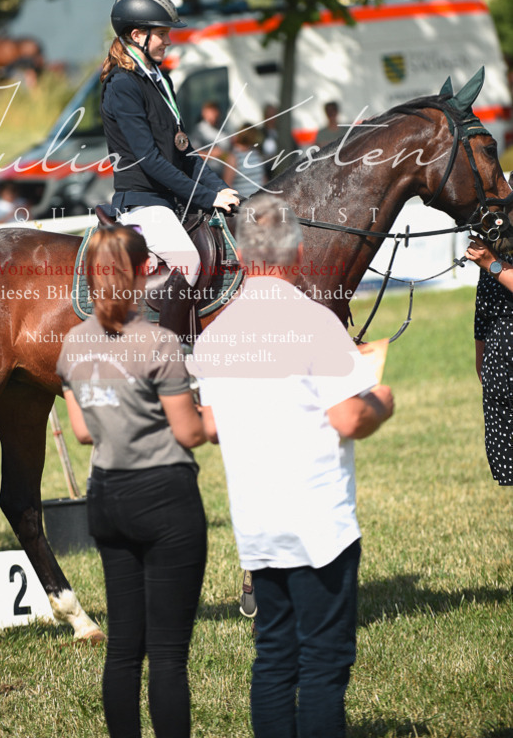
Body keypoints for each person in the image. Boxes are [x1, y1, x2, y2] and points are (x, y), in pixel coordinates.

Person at [188, 193, 395, 738]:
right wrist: (382, 400)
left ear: (240, 254)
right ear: (297, 253)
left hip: (257, 524)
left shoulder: (215, 335)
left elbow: (208, 427)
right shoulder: (315, 323)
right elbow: (349, 419)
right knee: (324, 663)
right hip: (317, 521)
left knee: (274, 656)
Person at [57, 225, 213, 738]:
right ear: (145, 271)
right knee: (167, 656)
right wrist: (220, 416)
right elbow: (189, 432)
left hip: (106, 497)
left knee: (124, 648)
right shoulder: (160, 343)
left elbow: (81, 432)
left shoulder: (73, 344)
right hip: (164, 496)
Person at [101, 0, 239, 337]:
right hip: (142, 201)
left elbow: (184, 153)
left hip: (171, 199)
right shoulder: (122, 85)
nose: (168, 41)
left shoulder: (162, 81)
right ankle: (170, 354)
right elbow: (149, 161)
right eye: (162, 33)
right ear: (137, 35)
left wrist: (221, 189)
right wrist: (206, 198)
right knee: (188, 261)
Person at [465, 234, 513, 485]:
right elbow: (483, 311)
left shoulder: (491, 260)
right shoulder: (498, 243)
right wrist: (481, 360)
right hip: (500, 371)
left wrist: (493, 266)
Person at [223, 123, 267, 200]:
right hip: (243, 203)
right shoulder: (233, 157)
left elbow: (262, 178)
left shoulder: (255, 153)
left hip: (259, 202)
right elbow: (228, 184)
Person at [189, 101, 230, 175]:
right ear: (204, 113)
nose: (213, 116)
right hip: (207, 175)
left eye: (215, 112)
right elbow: (193, 154)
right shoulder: (199, 130)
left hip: (225, 174)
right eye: (210, 113)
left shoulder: (224, 128)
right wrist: (211, 154)